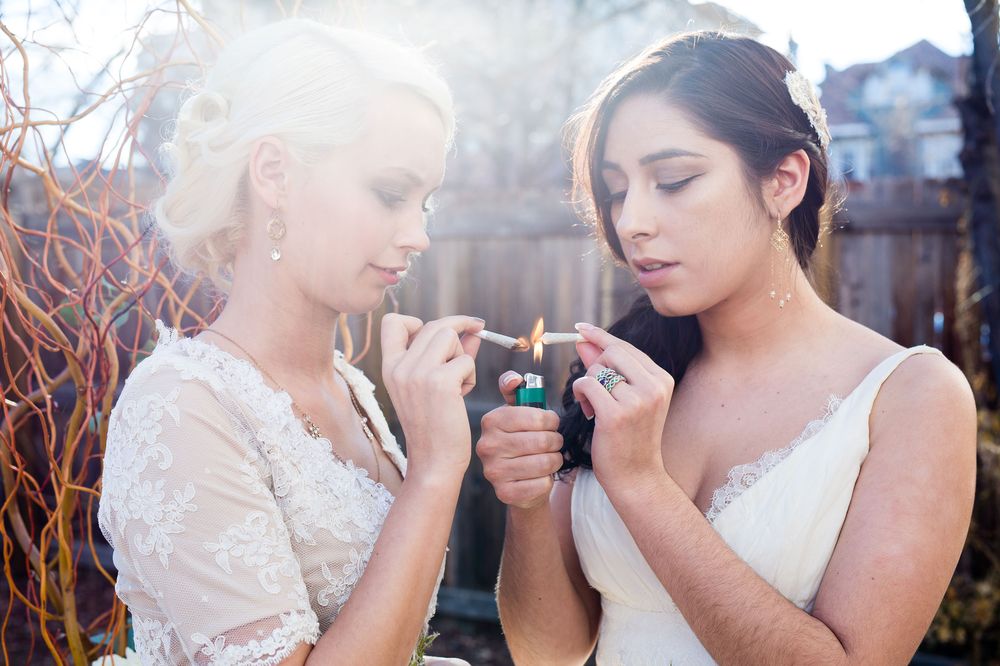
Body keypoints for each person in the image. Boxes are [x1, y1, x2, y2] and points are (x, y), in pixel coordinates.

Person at [476, 32, 977, 664]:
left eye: (674, 180)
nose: (630, 221)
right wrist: (526, 504)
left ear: (783, 181)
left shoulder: (911, 396)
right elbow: (546, 653)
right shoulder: (626, 379)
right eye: (617, 190)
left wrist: (642, 484)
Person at [98, 19, 482, 665]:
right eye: (391, 193)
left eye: (426, 202)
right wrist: (436, 471)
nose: (418, 235)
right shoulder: (180, 408)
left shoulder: (351, 387)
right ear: (274, 173)